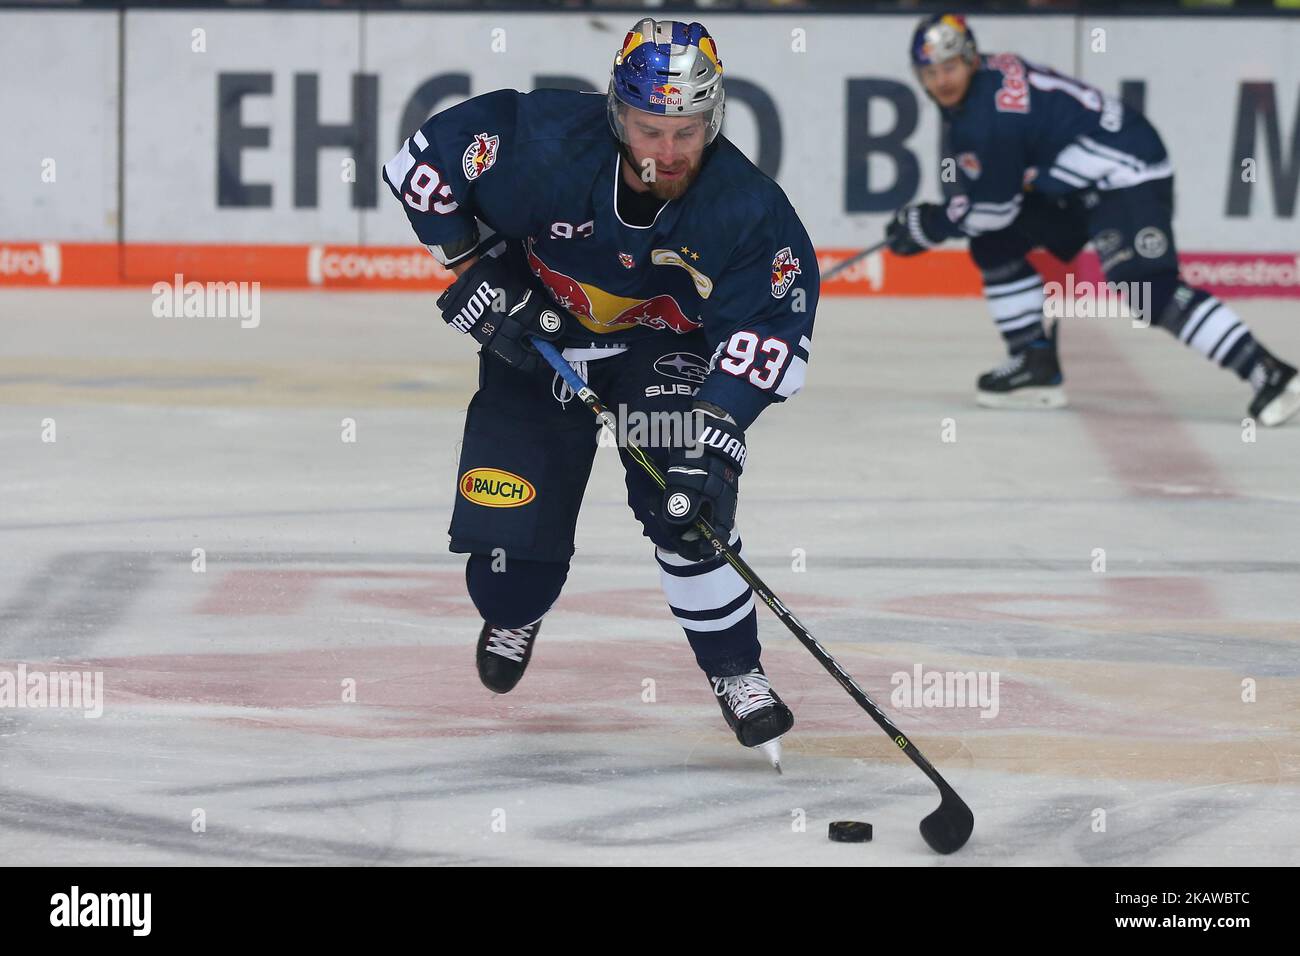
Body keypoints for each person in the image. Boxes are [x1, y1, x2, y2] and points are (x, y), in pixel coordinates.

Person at [382, 18, 819, 762]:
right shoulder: (544, 141)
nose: (668, 152)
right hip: (541, 335)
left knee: (689, 506)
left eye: (687, 131)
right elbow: (423, 163)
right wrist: (474, 269)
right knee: (506, 576)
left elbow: (773, 329)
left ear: (712, 119)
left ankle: (737, 670)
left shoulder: (745, 206)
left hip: (664, 351)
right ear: (619, 111)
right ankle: (520, 609)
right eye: (651, 129)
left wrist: (716, 430)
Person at [886, 13, 1300, 426]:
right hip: (1075, 183)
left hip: (1126, 175)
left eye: (949, 68)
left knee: (1148, 288)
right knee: (996, 243)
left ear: (972, 59)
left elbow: (995, 208)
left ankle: (1267, 371)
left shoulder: (989, 117)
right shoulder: (981, 90)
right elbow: (993, 200)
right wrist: (941, 219)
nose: (942, 81)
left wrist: (931, 226)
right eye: (930, 72)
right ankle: (1034, 364)